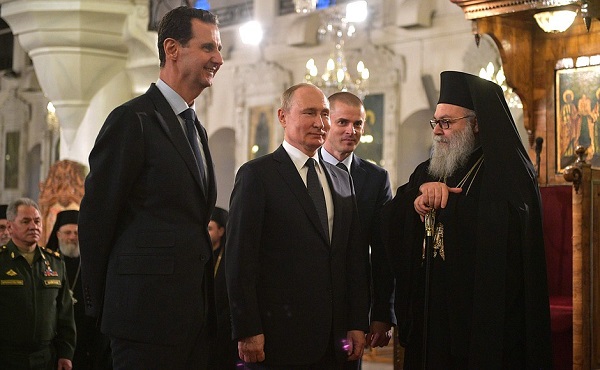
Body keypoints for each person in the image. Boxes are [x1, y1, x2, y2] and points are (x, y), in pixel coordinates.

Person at [78, 6, 222, 370]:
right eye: (208, 48)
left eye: (218, 49)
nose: (218, 59)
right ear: (172, 49)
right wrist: (102, 306)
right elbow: (96, 220)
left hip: (191, 320)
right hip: (142, 321)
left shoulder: (195, 129)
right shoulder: (132, 120)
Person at [382, 71, 552, 369]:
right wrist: (418, 199)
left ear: (476, 124)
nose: (437, 131)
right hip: (432, 312)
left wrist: (452, 208)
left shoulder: (508, 175)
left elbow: (505, 240)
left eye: (447, 122)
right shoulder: (428, 171)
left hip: (483, 315)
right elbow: (390, 219)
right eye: (436, 122)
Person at [226, 83, 370, 369]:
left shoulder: (342, 179)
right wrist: (247, 329)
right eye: (309, 113)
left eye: (325, 114)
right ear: (282, 117)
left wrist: (356, 323)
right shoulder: (258, 175)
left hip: (336, 340)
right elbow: (240, 260)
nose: (320, 123)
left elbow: (353, 258)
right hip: (279, 338)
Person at [319, 92, 395, 369]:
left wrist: (382, 313)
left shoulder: (376, 179)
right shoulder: (302, 170)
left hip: (353, 309)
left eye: (358, 124)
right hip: (302, 307)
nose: (351, 131)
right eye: (342, 122)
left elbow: (383, 250)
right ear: (326, 123)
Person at [0, 198, 76, 370]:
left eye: (37, 221)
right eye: (26, 221)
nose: (33, 226)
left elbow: (65, 313)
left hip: (45, 357)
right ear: (10, 227)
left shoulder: (55, 263)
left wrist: (66, 353)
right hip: (7, 357)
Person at [46, 210, 113, 370]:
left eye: (76, 232)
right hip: (56, 335)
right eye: (67, 232)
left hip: (86, 333)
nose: (72, 237)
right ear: (58, 234)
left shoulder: (91, 264)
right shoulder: (47, 263)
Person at [207, 207, 239, 369]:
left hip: (224, 327)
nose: (206, 232)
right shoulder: (203, 255)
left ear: (221, 230)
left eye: (210, 228)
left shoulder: (228, 258)